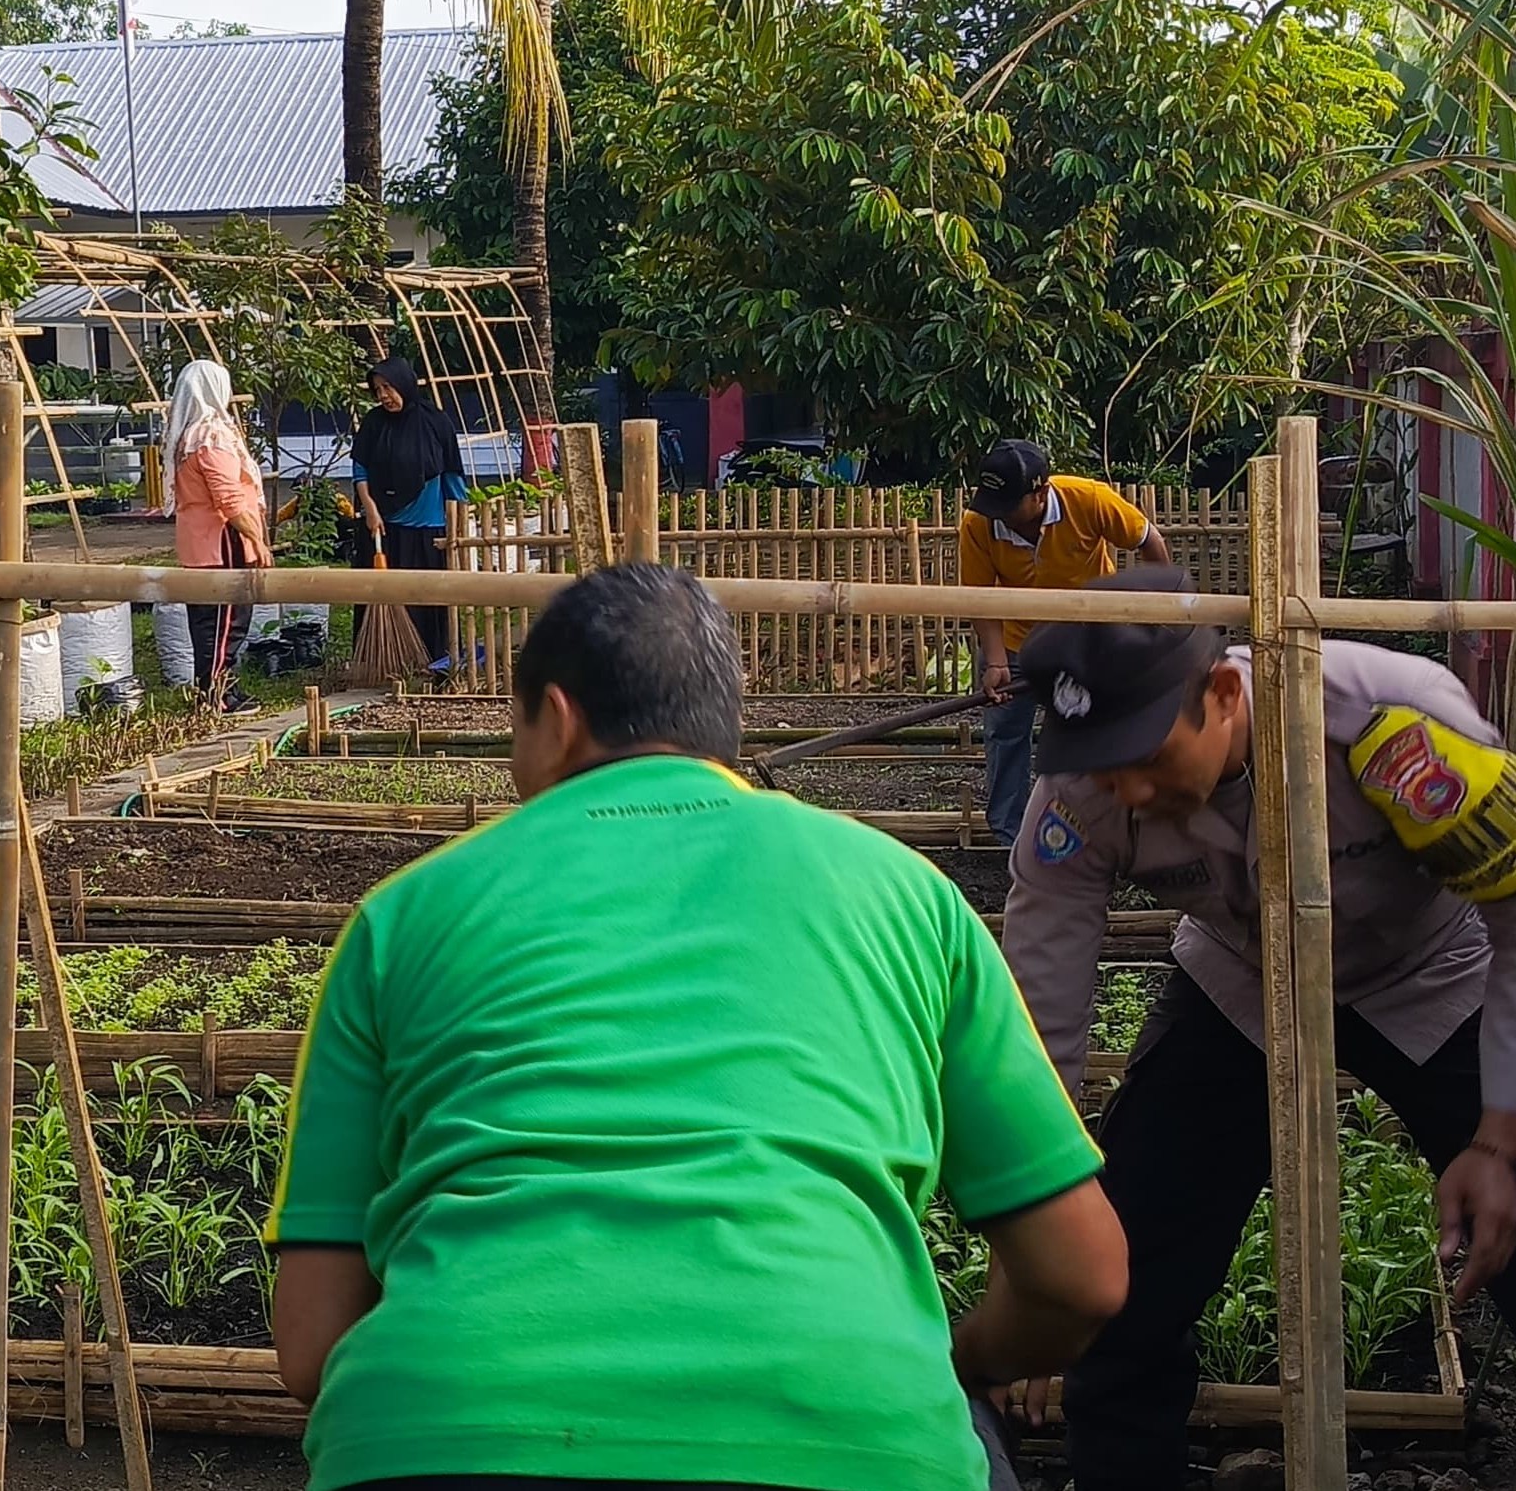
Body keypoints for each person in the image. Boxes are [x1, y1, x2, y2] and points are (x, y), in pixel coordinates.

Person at [271, 562, 1128, 1491]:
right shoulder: (906, 895)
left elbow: (312, 1345)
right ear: (723, 723)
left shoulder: (398, 916)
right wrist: (962, 1363)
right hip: (847, 1438)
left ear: (556, 721)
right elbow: (1081, 1275)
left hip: (439, 1443)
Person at [999, 563, 1516, 1491]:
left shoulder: (1398, 728)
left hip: (1429, 968)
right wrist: (1044, 1276)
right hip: (1240, 978)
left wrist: (1500, 1139)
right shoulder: (1082, 793)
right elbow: (1045, 1015)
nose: (1129, 791)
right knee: (1130, 1260)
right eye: (1104, 770)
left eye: (1149, 760)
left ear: (1227, 694)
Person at [959, 439, 1170, 845]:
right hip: (1020, 639)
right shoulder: (979, 524)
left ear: (1040, 494)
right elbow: (979, 596)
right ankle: (1011, 834)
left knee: (1088, 728)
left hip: (1088, 641)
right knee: (1005, 731)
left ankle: (1098, 828)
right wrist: (997, 661)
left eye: (1007, 503)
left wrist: (1163, 614)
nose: (997, 513)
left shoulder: (1089, 500)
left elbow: (1149, 541)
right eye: (991, 502)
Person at [163, 358, 270, 717]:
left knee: (208, 622)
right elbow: (228, 498)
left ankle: (215, 691)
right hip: (222, 538)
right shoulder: (213, 436)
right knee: (227, 621)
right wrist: (257, 539)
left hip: (197, 541)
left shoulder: (185, 437)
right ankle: (219, 697)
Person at [351, 358, 466, 666]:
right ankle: (385, 661)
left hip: (427, 526)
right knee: (384, 595)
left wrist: (460, 519)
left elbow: (452, 474)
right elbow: (360, 468)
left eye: (388, 387)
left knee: (425, 597)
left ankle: (429, 660)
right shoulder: (374, 423)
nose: (383, 396)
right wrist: (370, 508)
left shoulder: (435, 422)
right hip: (383, 527)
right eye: (377, 390)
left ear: (404, 384)